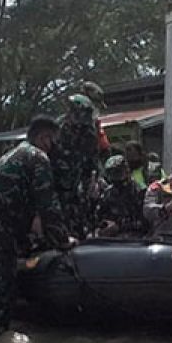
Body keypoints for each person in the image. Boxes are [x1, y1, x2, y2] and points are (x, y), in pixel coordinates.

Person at [0, 115, 73, 339]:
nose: (55, 146)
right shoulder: (37, 157)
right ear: (44, 138)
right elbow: (48, 206)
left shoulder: (17, 153)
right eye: (53, 140)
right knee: (1, 295)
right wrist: (63, 241)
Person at [54, 92, 103, 237]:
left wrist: (93, 182)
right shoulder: (57, 129)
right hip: (56, 185)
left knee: (80, 224)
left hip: (78, 186)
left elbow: (92, 161)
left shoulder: (89, 132)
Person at [93, 155, 148, 237]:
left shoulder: (139, 191)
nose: (115, 177)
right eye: (112, 174)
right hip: (109, 237)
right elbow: (99, 216)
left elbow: (144, 222)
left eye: (118, 172)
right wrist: (103, 226)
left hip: (133, 238)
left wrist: (119, 226)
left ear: (127, 171)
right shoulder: (107, 193)